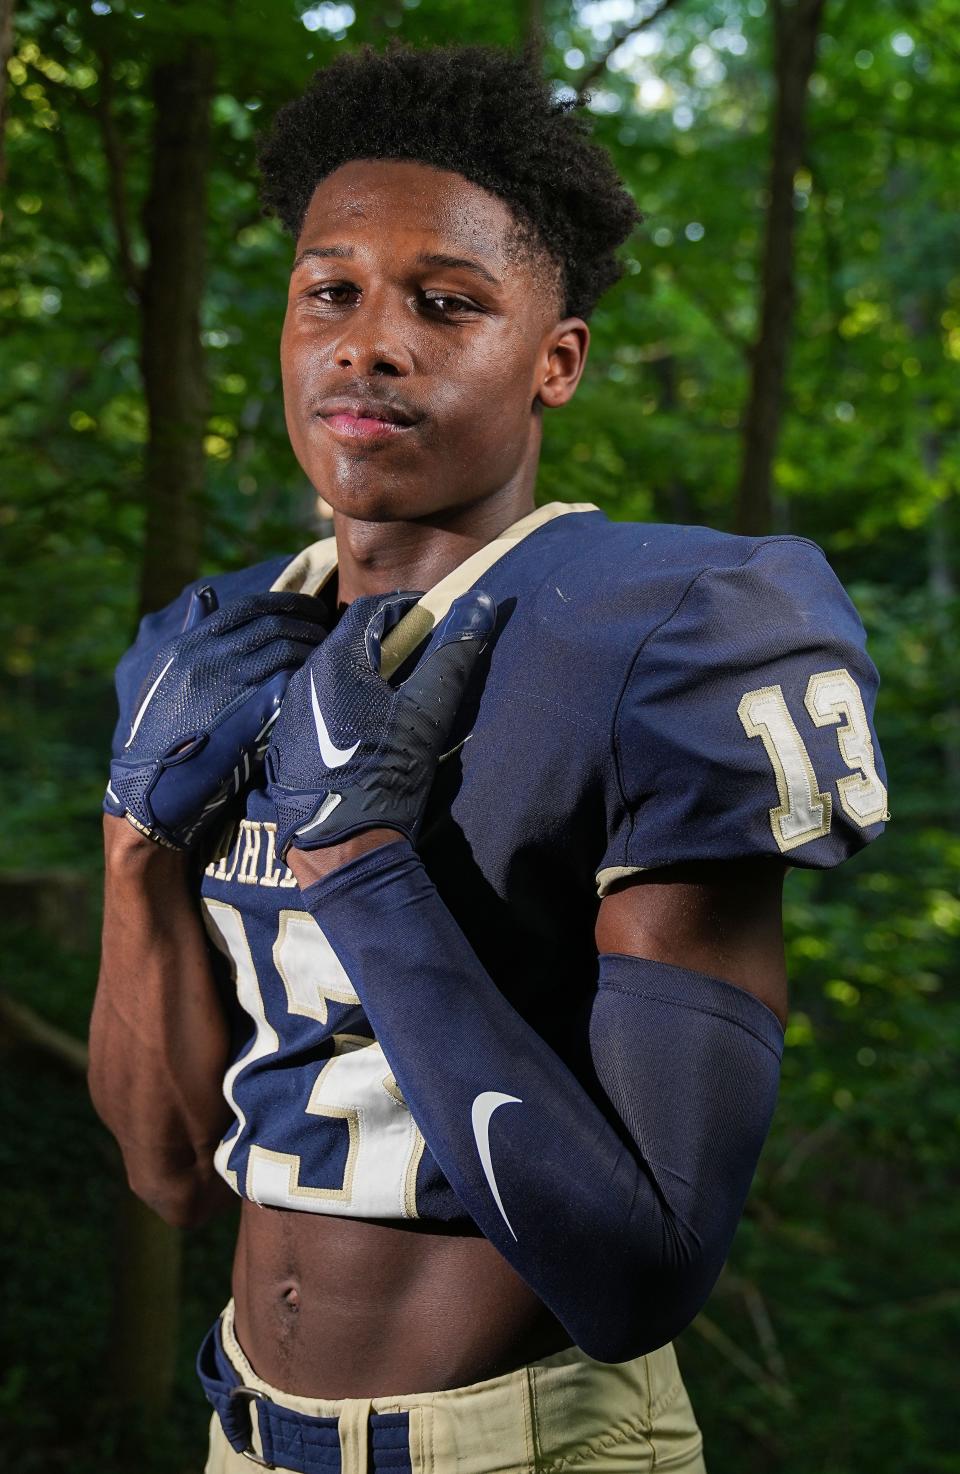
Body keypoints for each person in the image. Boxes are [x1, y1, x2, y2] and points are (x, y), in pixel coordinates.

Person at [88, 39, 888, 1474]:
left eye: (445, 304)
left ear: (554, 358)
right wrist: (133, 853)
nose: (369, 341)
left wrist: (364, 868)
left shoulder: (664, 631)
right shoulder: (213, 657)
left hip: (529, 1441)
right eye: (329, 291)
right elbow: (166, 1177)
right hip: (246, 1436)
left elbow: (642, 1270)